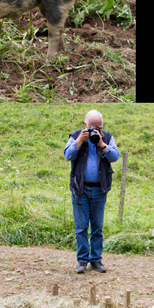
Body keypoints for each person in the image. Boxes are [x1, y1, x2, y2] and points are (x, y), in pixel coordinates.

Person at [63, 109, 120, 274]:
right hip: (80, 189)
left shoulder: (107, 137)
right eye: (92, 127)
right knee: (81, 227)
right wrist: (80, 141)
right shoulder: (75, 136)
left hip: (99, 189)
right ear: (85, 125)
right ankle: (82, 260)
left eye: (99, 128)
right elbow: (68, 155)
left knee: (97, 227)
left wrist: (102, 144)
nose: (95, 131)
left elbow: (115, 156)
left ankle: (96, 260)